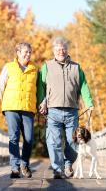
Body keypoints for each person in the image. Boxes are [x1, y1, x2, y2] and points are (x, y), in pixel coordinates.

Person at [37, 37, 94, 179]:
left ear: (67, 50)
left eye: (63, 49)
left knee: (73, 140)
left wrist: (89, 103)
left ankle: (68, 164)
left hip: (72, 110)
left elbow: (83, 86)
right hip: (52, 110)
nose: (61, 51)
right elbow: (41, 87)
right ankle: (57, 169)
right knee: (54, 141)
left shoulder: (76, 67)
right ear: (53, 51)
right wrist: (41, 102)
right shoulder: (47, 66)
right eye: (57, 49)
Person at [0, 42, 37, 178]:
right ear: (18, 53)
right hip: (11, 107)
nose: (28, 54)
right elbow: (0, 87)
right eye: (25, 52)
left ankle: (24, 164)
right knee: (14, 137)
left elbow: (39, 89)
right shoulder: (9, 67)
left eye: (30, 52)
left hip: (28, 108)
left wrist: (43, 103)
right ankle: (15, 167)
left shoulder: (34, 69)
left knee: (29, 139)